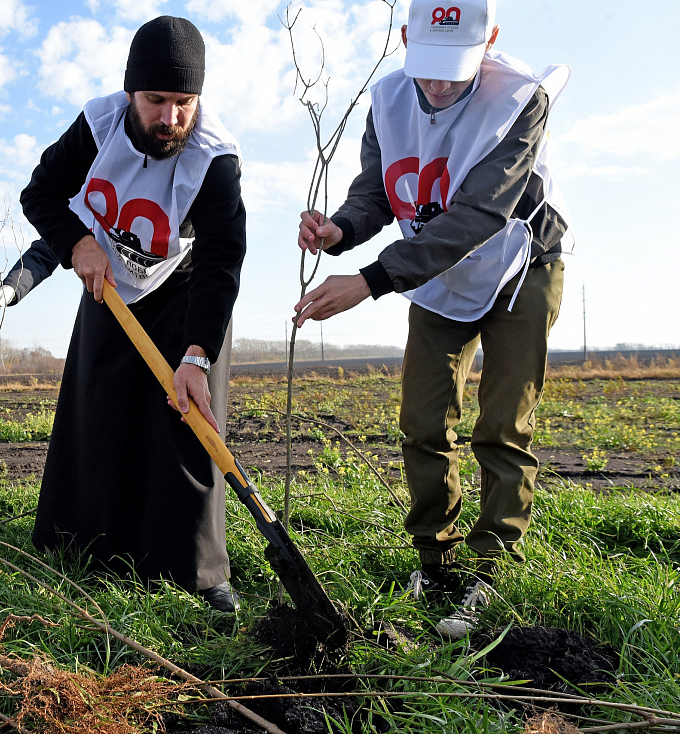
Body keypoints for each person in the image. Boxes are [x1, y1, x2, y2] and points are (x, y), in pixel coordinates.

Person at [294, 0, 569, 635]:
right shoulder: (389, 100)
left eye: (457, 68)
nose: (440, 85)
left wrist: (371, 280)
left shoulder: (519, 101)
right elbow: (380, 189)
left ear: (491, 39)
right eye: (427, 66)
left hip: (520, 264)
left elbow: (479, 215)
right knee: (423, 421)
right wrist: (340, 230)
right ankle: (437, 560)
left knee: (502, 425)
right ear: (405, 38)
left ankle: (492, 566)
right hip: (434, 272)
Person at [16, 15, 247, 612]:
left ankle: (197, 571)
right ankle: (84, 546)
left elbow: (224, 261)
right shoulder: (97, 126)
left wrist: (197, 354)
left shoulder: (215, 159)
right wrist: (76, 244)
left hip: (186, 288)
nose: (169, 118)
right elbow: (39, 192)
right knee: (98, 411)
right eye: (155, 101)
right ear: (129, 93)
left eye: (182, 102)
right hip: (108, 282)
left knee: (189, 420)